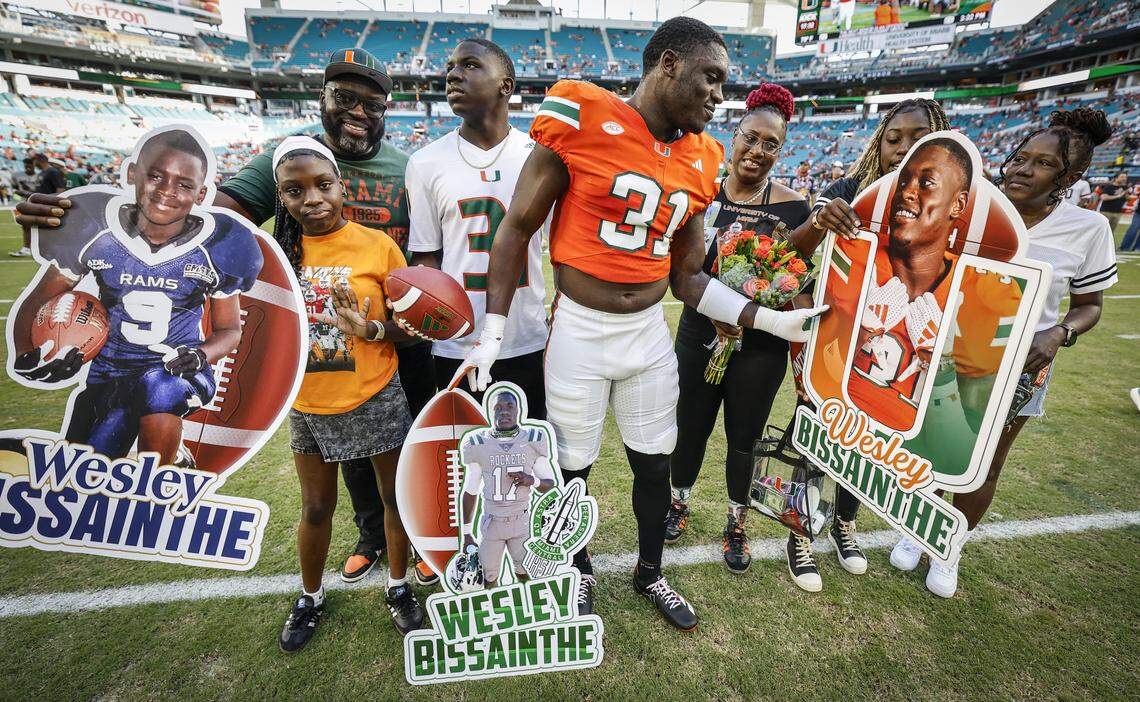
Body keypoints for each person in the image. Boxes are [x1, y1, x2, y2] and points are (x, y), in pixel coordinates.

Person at [16, 48, 437, 588]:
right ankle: (369, 537)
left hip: (389, 327)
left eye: (371, 102)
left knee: (401, 448)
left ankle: (416, 542)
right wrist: (71, 219)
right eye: (344, 97)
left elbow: (428, 252)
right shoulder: (280, 157)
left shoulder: (407, 168)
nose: (357, 111)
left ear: (386, 109)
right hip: (322, 338)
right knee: (341, 455)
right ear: (324, 99)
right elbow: (205, 218)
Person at [463, 17, 823, 630]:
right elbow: (516, 227)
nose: (718, 95)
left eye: (723, 83)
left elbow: (688, 277)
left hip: (649, 334)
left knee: (656, 463)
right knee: (572, 466)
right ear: (669, 64)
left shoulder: (703, 156)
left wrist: (764, 318)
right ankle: (576, 572)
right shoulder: (580, 114)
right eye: (711, 78)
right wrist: (491, 333)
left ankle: (650, 571)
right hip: (578, 329)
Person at [888, 108, 1118, 598]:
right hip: (951, 352)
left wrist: (1059, 334)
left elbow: (1090, 306)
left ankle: (949, 547)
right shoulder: (978, 208)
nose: (1019, 168)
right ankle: (916, 529)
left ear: (1070, 176)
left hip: (1021, 365)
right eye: (1019, 156)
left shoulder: (1088, 229)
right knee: (935, 451)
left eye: (1040, 163)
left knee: (986, 461)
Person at [784, 96, 953, 592]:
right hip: (837, 336)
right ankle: (800, 531)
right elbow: (796, 256)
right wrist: (823, 217)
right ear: (879, 143)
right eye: (892, 138)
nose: (901, 148)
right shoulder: (849, 191)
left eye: (916, 136)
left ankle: (844, 522)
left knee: (869, 439)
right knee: (814, 431)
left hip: (895, 344)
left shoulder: (952, 203)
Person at [11, 129, 261, 464]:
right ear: (132, 174)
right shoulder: (95, 227)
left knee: (159, 385)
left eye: (184, 185)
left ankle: (162, 471)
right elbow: (40, 299)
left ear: (201, 194)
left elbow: (230, 331)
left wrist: (201, 355)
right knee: (83, 469)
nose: (167, 191)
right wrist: (28, 353)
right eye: (156, 176)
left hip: (177, 370)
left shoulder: (222, 245)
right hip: (109, 374)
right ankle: (145, 449)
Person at [270, 137, 422, 650]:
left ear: (342, 186)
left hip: (375, 392)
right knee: (315, 507)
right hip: (308, 402)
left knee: (393, 500)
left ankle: (398, 588)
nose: (311, 198)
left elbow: (412, 326)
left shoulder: (376, 245)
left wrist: (370, 328)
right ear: (281, 197)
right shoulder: (273, 253)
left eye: (322, 185)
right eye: (294, 190)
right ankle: (310, 597)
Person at [665, 83, 812, 574]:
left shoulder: (794, 207)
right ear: (734, 136)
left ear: (781, 149)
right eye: (751, 138)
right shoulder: (698, 194)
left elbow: (797, 276)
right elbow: (680, 270)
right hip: (698, 334)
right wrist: (716, 316)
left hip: (760, 347)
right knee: (690, 429)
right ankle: (678, 503)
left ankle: (736, 522)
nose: (758, 151)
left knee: (743, 438)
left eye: (771, 144)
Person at [405, 39, 548, 412]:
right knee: (467, 457)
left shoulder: (540, 156)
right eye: (451, 67)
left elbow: (563, 251)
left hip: (528, 336)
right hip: (456, 341)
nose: (453, 74)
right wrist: (428, 315)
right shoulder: (424, 162)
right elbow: (427, 257)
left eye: (470, 65)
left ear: (506, 85)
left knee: (532, 456)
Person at [459, 389, 556, 588]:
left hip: (522, 523)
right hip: (492, 524)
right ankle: (494, 611)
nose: (504, 411)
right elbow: (470, 491)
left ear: (518, 410)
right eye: (498, 407)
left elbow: (550, 484)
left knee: (526, 571)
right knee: (488, 575)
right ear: (490, 412)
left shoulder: (532, 439)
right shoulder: (478, 443)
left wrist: (532, 480)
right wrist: (467, 533)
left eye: (509, 406)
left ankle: (529, 608)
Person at [11, 154, 67, 258]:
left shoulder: (53, 171)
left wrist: (55, 204)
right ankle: (29, 248)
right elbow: (40, 191)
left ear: (39, 160)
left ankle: (30, 249)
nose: (33, 163)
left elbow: (60, 189)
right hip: (39, 203)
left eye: (34, 161)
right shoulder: (43, 172)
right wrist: (25, 192)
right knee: (27, 224)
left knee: (30, 223)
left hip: (47, 205)